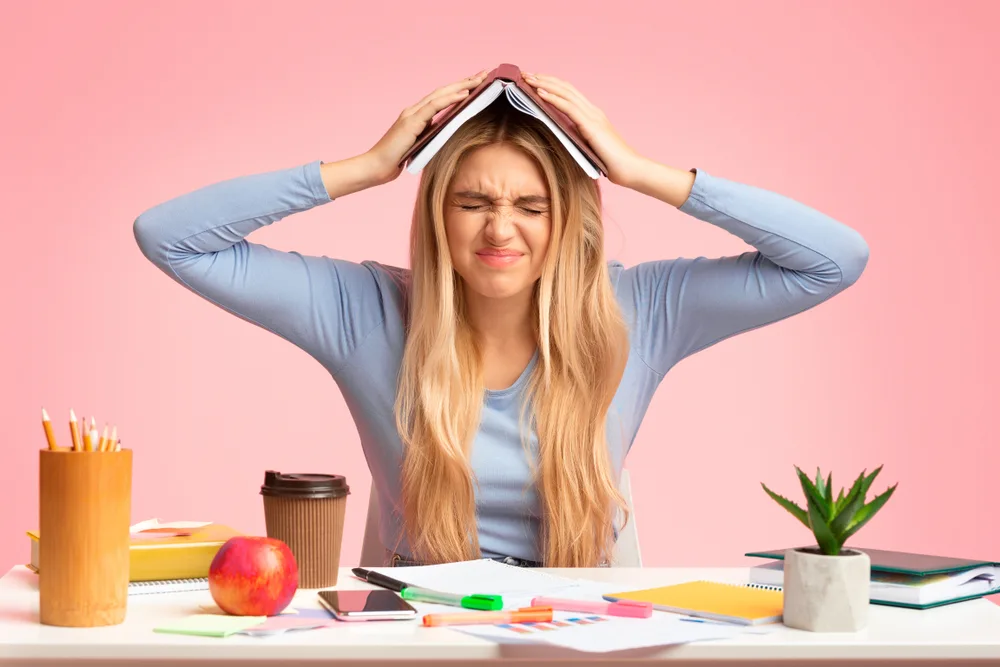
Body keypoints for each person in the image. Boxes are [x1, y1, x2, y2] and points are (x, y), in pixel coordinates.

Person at [133, 68, 869, 569]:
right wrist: (367, 166)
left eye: (530, 205)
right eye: (474, 202)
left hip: (580, 635)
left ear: (564, 220)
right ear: (437, 214)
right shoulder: (363, 311)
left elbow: (834, 258)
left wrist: (640, 170)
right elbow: (170, 238)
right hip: (425, 639)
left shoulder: (638, 310)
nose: (500, 230)